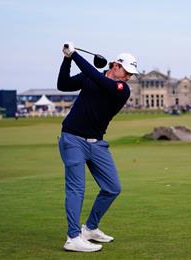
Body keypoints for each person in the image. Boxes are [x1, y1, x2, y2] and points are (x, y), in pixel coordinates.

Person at [57, 42, 139, 252]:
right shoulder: (92, 77)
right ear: (115, 66)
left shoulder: (122, 89)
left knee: (113, 188)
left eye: (131, 74)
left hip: (97, 144)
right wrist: (67, 59)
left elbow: (97, 78)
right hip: (72, 138)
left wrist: (75, 55)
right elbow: (63, 84)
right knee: (76, 188)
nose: (128, 77)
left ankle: (90, 228)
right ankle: (73, 237)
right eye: (127, 71)